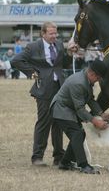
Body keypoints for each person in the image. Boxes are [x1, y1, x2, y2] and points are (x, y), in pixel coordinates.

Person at [11, 21, 78, 166]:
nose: (55, 36)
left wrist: (69, 52)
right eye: (51, 33)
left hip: (60, 89)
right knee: (43, 123)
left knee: (59, 122)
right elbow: (16, 60)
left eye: (56, 33)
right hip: (43, 89)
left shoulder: (59, 44)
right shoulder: (33, 47)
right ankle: (37, 157)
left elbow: (63, 64)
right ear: (43, 33)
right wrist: (32, 72)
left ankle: (59, 157)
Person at [50, 59, 109, 174]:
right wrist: (94, 121)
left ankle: (65, 163)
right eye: (98, 78)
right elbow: (80, 108)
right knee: (77, 133)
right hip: (60, 110)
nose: (98, 81)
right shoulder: (78, 83)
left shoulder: (86, 79)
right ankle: (84, 165)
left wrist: (101, 113)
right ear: (92, 73)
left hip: (68, 109)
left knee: (79, 134)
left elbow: (90, 100)